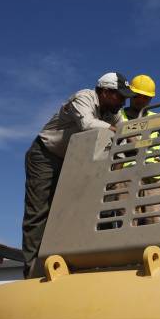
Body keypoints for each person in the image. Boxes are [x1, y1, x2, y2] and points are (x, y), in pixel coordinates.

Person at [21, 72, 133, 277]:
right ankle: (32, 271)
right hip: (45, 155)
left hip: (72, 160)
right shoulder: (84, 98)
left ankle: (65, 265)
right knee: (39, 213)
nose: (123, 102)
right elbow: (87, 124)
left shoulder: (112, 112)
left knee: (69, 212)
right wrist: (114, 130)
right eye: (120, 96)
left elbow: (122, 134)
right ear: (106, 92)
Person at [118, 75, 160, 225]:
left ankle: (153, 249)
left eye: (146, 97)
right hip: (126, 175)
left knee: (155, 220)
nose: (142, 100)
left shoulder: (158, 119)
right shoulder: (118, 117)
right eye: (139, 96)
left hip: (153, 174)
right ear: (132, 95)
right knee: (128, 220)